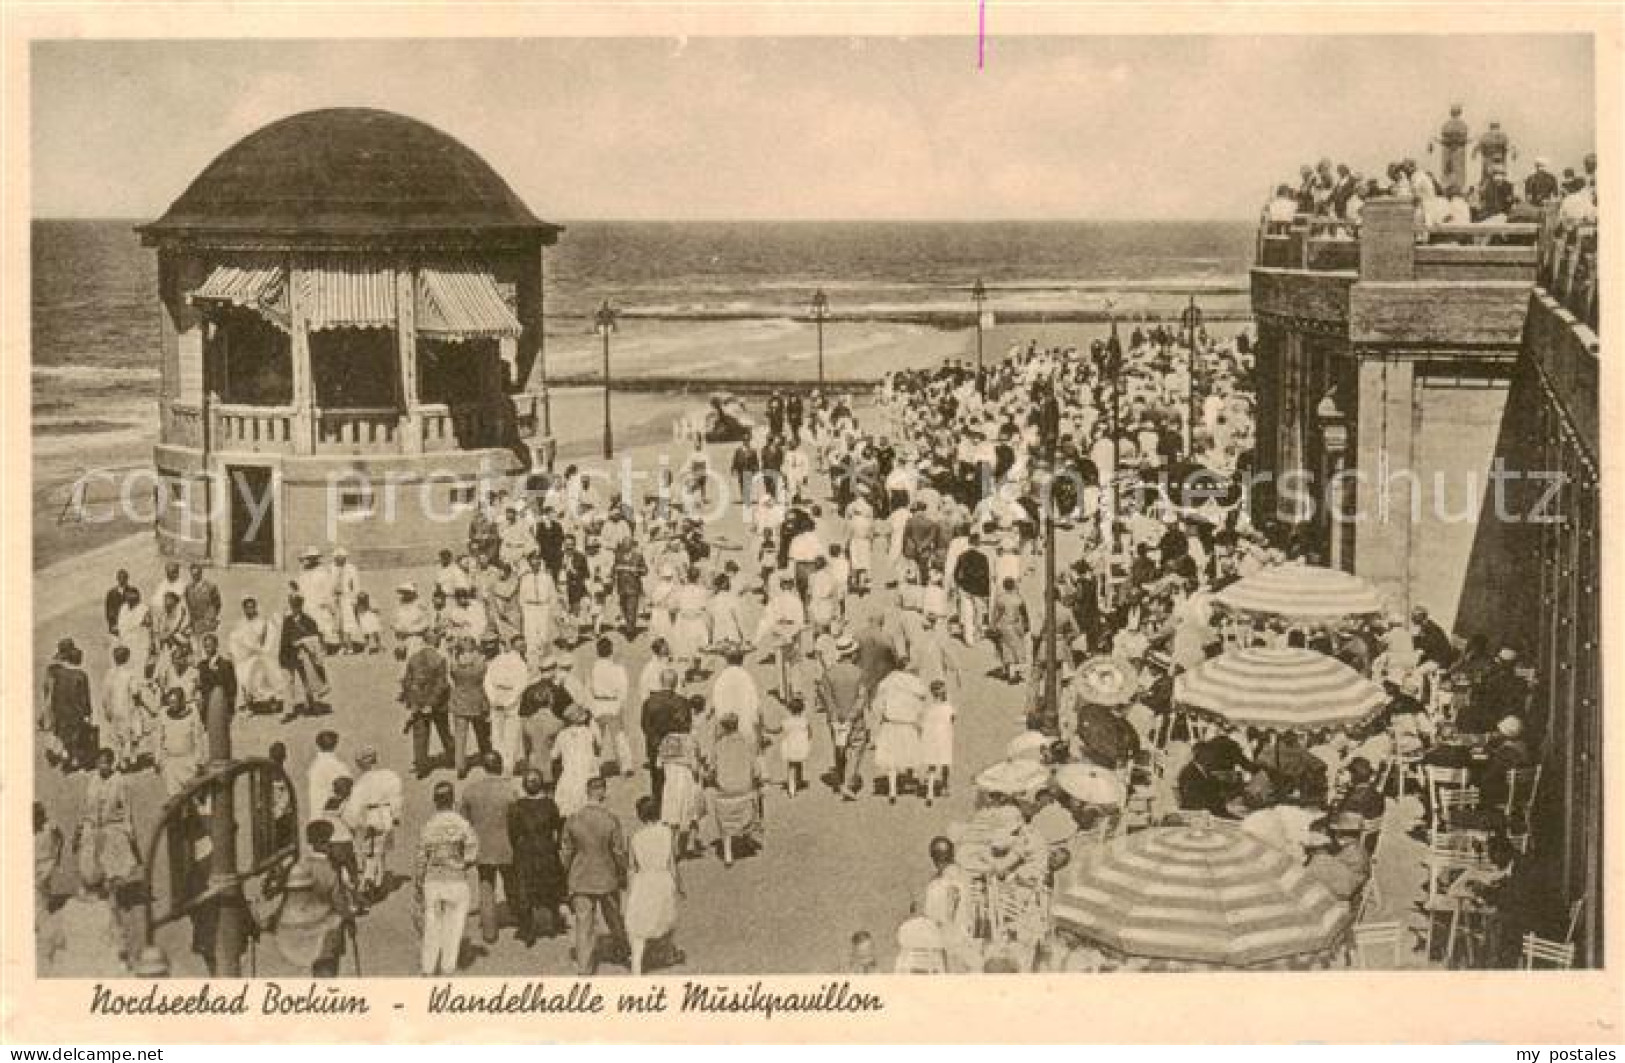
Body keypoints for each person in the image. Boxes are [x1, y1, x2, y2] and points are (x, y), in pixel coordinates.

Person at [561, 774, 630, 975]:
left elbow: (566, 850)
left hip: (580, 877)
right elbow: (618, 850)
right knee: (614, 916)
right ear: (603, 792)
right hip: (607, 877)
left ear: (587, 792)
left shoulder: (574, 819)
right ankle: (622, 947)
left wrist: (565, 872)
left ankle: (584, 966)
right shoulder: (610, 820)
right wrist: (623, 870)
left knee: (584, 924)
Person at [415, 780, 478, 977]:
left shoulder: (429, 825)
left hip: (433, 880)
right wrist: (461, 862)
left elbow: (420, 858)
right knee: (455, 926)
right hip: (457, 880)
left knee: (432, 925)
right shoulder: (462, 824)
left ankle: (427, 967)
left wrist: (418, 882)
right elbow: (472, 853)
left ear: (435, 801)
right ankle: (448, 967)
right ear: (453, 800)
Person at [460, 751, 517, 945]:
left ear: (484, 767)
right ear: (500, 766)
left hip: (482, 846)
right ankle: (517, 916)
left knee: (486, 886)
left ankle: (489, 930)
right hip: (507, 845)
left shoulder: (470, 790)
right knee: (512, 882)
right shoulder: (510, 791)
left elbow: (464, 822)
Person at [625, 795, 684, 976]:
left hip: (643, 880)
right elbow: (672, 863)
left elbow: (631, 867)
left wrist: (630, 889)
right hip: (663, 879)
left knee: (639, 923)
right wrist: (679, 885)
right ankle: (667, 953)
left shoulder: (635, 837)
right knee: (666, 917)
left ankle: (636, 963)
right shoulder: (667, 833)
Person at [507, 769, 567, 944]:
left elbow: (512, 832)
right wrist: (554, 845)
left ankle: (527, 930)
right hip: (547, 850)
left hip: (526, 852)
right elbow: (558, 826)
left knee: (525, 888)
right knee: (550, 885)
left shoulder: (517, 806)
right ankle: (555, 924)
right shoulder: (550, 804)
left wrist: (519, 846)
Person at [350, 746, 403, 904]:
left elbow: (355, 807)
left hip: (371, 817)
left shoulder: (361, 783)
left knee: (370, 852)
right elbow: (396, 798)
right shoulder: (390, 776)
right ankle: (379, 882)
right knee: (381, 851)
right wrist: (395, 815)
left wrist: (356, 823)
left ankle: (369, 883)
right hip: (386, 816)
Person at [708, 713, 762, 866]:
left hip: (726, 789)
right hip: (744, 788)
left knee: (725, 823)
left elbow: (712, 769)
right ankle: (748, 836)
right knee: (751, 804)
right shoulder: (747, 743)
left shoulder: (718, 746)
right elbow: (756, 769)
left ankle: (728, 853)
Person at [399, 631, 453, 779]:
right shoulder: (440, 659)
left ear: (424, 642)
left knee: (420, 736)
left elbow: (407, 682)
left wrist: (414, 702)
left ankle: (421, 766)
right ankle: (451, 758)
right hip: (438, 705)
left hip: (418, 704)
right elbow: (441, 684)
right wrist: (431, 703)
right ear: (436, 643)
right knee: (444, 732)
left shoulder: (413, 658)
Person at [640, 667, 692, 809]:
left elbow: (645, 725)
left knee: (656, 777)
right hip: (676, 745)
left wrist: (657, 741)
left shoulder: (649, 702)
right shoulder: (682, 702)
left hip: (655, 745)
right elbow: (687, 726)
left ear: (660, 682)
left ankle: (658, 804)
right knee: (675, 778)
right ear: (675, 683)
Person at [42, 638, 95, 772]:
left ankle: (64, 755)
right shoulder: (81, 675)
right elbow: (85, 697)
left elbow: (48, 691)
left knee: (63, 734)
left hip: (60, 710)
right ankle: (74, 759)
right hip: (76, 712)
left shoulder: (55, 672)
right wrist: (88, 714)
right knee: (76, 736)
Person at [585, 636, 634, 775]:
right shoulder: (618, 669)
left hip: (597, 704)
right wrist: (620, 706)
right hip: (613, 704)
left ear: (597, 651)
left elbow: (588, 688)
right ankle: (626, 766)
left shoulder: (593, 668)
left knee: (595, 737)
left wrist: (590, 707)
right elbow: (623, 689)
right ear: (611, 651)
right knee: (619, 736)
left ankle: (593, 768)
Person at [228, 596, 284, 713]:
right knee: (241, 674)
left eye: (251, 607)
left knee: (262, 672)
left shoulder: (261, 622)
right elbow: (235, 639)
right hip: (245, 657)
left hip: (259, 655)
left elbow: (265, 641)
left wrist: (259, 650)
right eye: (247, 608)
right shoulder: (241, 623)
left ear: (255, 608)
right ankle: (249, 705)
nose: (249, 610)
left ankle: (271, 701)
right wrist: (235, 652)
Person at [484, 634, 530, 775]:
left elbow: (487, 682)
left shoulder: (497, 659)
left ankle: (497, 764)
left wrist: (493, 699)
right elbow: (521, 686)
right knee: (511, 736)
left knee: (497, 735)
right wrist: (509, 701)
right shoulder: (521, 664)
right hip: (511, 702)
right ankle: (507, 767)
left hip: (497, 698)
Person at [279, 594, 330, 720]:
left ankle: (312, 703)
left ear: (301, 605)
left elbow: (316, 638)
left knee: (307, 680)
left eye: (297, 604)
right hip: (289, 654)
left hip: (304, 655)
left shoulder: (309, 621)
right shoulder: (287, 621)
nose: (295, 607)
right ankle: (288, 710)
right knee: (288, 682)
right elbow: (283, 640)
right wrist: (283, 654)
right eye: (293, 604)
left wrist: (303, 642)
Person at [447, 636, 493, 778]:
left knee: (460, 737)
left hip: (460, 703)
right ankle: (487, 760)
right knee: (482, 735)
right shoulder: (480, 664)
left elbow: (453, 676)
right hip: (477, 702)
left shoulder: (454, 665)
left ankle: (460, 766)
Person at [155, 688, 205, 797]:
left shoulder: (193, 713)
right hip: (171, 763)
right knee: (174, 798)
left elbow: (199, 738)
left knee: (194, 796)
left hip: (189, 762)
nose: (171, 705)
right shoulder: (163, 713)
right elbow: (159, 738)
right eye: (170, 702)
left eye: (174, 702)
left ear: (182, 701)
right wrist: (158, 759)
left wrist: (199, 761)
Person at [553, 704, 601, 818]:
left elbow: (554, 755)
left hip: (569, 775)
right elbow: (598, 749)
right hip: (587, 773)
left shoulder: (562, 735)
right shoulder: (589, 733)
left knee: (567, 809)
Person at [919, 679, 957, 806]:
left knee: (932, 766)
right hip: (944, 736)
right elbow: (952, 719)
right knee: (945, 763)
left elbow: (923, 723)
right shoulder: (947, 707)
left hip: (931, 737)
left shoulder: (929, 708)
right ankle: (945, 786)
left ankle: (929, 793)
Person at [306, 730, 353, 827]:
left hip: (316, 817)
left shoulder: (314, 766)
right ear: (335, 744)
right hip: (334, 820)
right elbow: (346, 790)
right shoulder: (338, 766)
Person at [781, 697, 811, 797]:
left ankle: (792, 789)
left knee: (791, 768)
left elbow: (778, 730)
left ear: (789, 709)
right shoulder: (804, 721)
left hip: (790, 746)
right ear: (802, 709)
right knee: (799, 763)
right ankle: (799, 781)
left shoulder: (786, 721)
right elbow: (810, 733)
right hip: (801, 746)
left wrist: (767, 729)